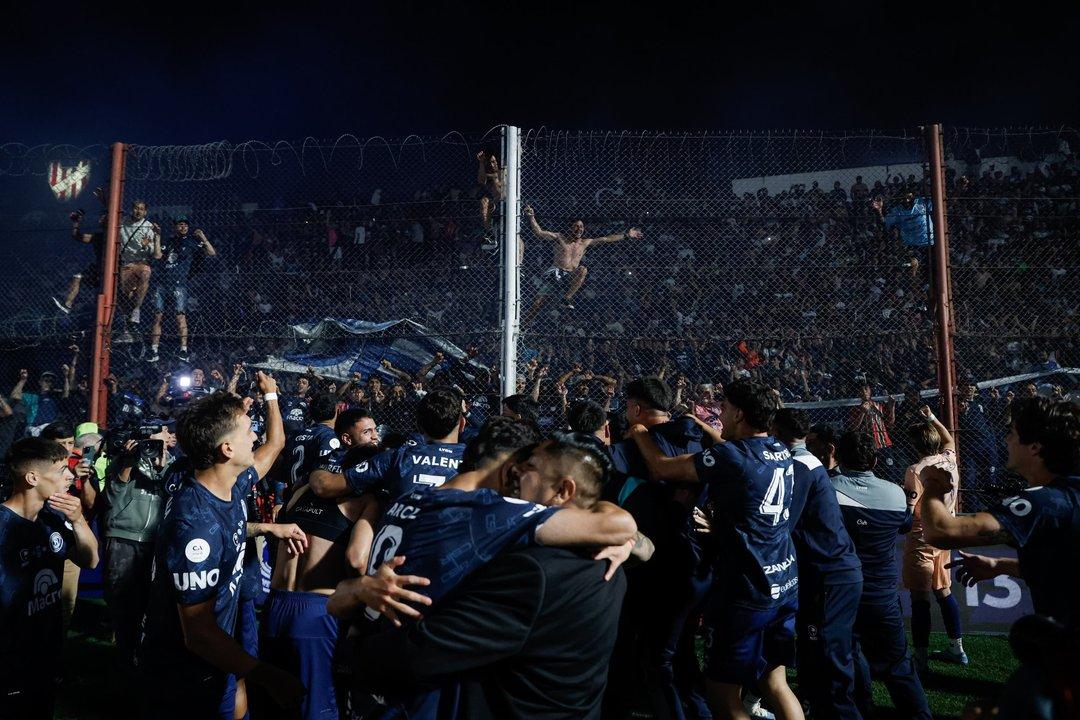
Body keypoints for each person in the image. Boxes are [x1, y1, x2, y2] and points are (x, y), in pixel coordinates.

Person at [347, 426, 634, 720]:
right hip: (410, 689)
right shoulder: (490, 515)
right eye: (522, 465)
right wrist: (628, 538)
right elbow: (621, 526)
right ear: (507, 468)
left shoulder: (412, 499)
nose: (520, 475)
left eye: (530, 467)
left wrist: (350, 651)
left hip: (387, 670)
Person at [627, 379, 804, 720]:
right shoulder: (779, 449)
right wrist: (704, 426)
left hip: (747, 586)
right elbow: (735, 453)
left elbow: (661, 467)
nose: (719, 414)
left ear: (739, 414)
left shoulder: (729, 457)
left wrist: (640, 434)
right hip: (784, 580)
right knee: (776, 682)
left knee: (722, 694)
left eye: (724, 408)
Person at [138, 372, 308, 719]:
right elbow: (198, 633)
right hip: (183, 675)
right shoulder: (195, 525)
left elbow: (274, 446)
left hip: (213, 656)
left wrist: (271, 396)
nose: (255, 435)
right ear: (226, 449)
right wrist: (268, 676)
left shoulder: (231, 482)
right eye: (248, 431)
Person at [920, 397, 1080, 628]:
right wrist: (1001, 566)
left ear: (1034, 447)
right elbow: (1063, 567)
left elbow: (940, 532)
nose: (1005, 440)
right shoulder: (1069, 494)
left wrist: (932, 483)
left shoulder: (1044, 502)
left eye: (1012, 434)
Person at [831, 431, 931, 719]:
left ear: (838, 457)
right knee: (898, 663)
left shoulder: (825, 489)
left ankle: (863, 708)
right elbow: (904, 524)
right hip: (882, 593)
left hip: (841, 591)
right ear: (874, 461)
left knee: (849, 654)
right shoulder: (894, 494)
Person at [772, 409, 863, 720]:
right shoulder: (805, 462)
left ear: (776, 433)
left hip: (829, 574)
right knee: (822, 657)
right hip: (830, 572)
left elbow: (783, 523)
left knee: (829, 661)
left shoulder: (800, 467)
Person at [0, 437, 99, 720]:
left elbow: (90, 560)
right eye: (60, 470)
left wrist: (78, 520)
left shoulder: (51, 519)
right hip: (10, 666)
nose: (69, 475)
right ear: (32, 478)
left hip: (45, 655)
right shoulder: (4, 530)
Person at [100, 421, 175, 675]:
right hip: (123, 538)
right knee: (122, 602)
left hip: (154, 541)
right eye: (155, 437)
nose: (159, 442)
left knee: (152, 604)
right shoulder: (125, 459)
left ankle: (144, 659)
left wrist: (164, 465)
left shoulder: (172, 465)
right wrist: (129, 458)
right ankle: (124, 660)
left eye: (164, 436)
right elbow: (114, 491)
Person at [901, 406, 968, 674]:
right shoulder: (949, 459)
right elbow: (949, 438)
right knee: (943, 591)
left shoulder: (916, 469)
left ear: (915, 446)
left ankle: (920, 659)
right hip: (944, 535)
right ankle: (957, 648)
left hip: (922, 538)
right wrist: (931, 418)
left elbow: (909, 509)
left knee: (920, 598)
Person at [309, 387, 466, 500]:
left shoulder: (395, 457)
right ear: (462, 424)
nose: (374, 436)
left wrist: (315, 472)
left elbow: (323, 486)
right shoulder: (474, 461)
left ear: (419, 426)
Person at [522, 204, 643, 318]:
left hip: (570, 275)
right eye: (577, 226)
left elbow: (606, 239)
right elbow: (539, 232)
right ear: (570, 227)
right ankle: (525, 322)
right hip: (556, 272)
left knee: (583, 270)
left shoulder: (585, 243)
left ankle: (567, 298)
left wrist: (626, 235)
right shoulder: (559, 237)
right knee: (538, 303)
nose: (580, 229)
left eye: (581, 227)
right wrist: (532, 217)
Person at [148, 216, 216, 363]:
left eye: (185, 224)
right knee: (158, 316)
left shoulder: (192, 241)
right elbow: (158, 255)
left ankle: (183, 350)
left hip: (180, 284)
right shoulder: (169, 241)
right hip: (163, 283)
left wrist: (203, 238)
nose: (183, 227)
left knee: (180, 316)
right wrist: (157, 236)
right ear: (175, 227)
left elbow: (211, 253)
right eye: (180, 224)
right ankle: (154, 350)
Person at [117, 200, 161, 337]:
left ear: (145, 212)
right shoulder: (122, 222)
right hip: (126, 263)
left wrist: (145, 246)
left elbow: (154, 253)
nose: (138, 211)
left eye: (141, 209)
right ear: (132, 209)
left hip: (141, 262)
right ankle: (128, 325)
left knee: (145, 273)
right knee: (126, 295)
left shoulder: (148, 227)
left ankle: (136, 310)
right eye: (136, 208)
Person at [52, 210, 106, 314]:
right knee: (78, 277)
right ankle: (67, 304)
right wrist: (76, 223)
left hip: (115, 267)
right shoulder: (98, 237)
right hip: (99, 267)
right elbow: (77, 236)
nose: (100, 220)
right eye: (100, 218)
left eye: (103, 218)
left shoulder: (119, 235)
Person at [848, 383, 897, 482]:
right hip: (868, 446)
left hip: (883, 443)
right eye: (861, 390)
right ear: (858, 393)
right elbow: (854, 427)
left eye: (866, 389)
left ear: (870, 391)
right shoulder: (856, 409)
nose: (864, 392)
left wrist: (892, 408)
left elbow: (890, 424)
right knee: (873, 474)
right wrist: (862, 412)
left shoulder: (879, 406)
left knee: (890, 473)